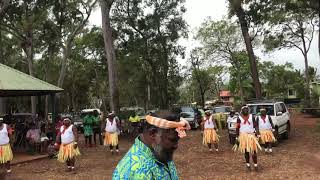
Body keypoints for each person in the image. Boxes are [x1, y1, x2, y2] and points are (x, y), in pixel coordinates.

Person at [113, 110, 191, 179]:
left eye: (177, 140)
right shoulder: (137, 171)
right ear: (153, 134)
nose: (176, 146)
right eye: (172, 140)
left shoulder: (160, 153)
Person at [233, 106, 261, 171]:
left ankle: (255, 165)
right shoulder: (238, 118)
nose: (245, 111)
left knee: (254, 151)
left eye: (246, 109)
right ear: (241, 111)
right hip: (243, 137)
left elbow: (256, 125)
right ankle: (248, 164)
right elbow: (237, 128)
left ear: (248, 110)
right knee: (246, 152)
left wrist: (258, 134)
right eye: (244, 110)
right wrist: (237, 137)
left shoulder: (252, 117)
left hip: (251, 136)